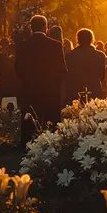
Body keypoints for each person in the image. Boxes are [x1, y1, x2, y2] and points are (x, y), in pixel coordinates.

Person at [14, 15, 68, 148]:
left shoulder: (22, 46)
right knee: (51, 120)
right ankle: (52, 145)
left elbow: (17, 69)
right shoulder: (55, 45)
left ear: (31, 28)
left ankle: (27, 145)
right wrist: (55, 85)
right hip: (50, 90)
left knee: (29, 119)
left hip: (30, 89)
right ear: (46, 27)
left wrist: (27, 81)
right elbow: (63, 70)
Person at [64, 29, 106, 105]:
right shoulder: (100, 55)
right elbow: (102, 75)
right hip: (94, 88)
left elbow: (68, 74)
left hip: (75, 90)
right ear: (92, 39)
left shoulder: (70, 55)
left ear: (78, 40)